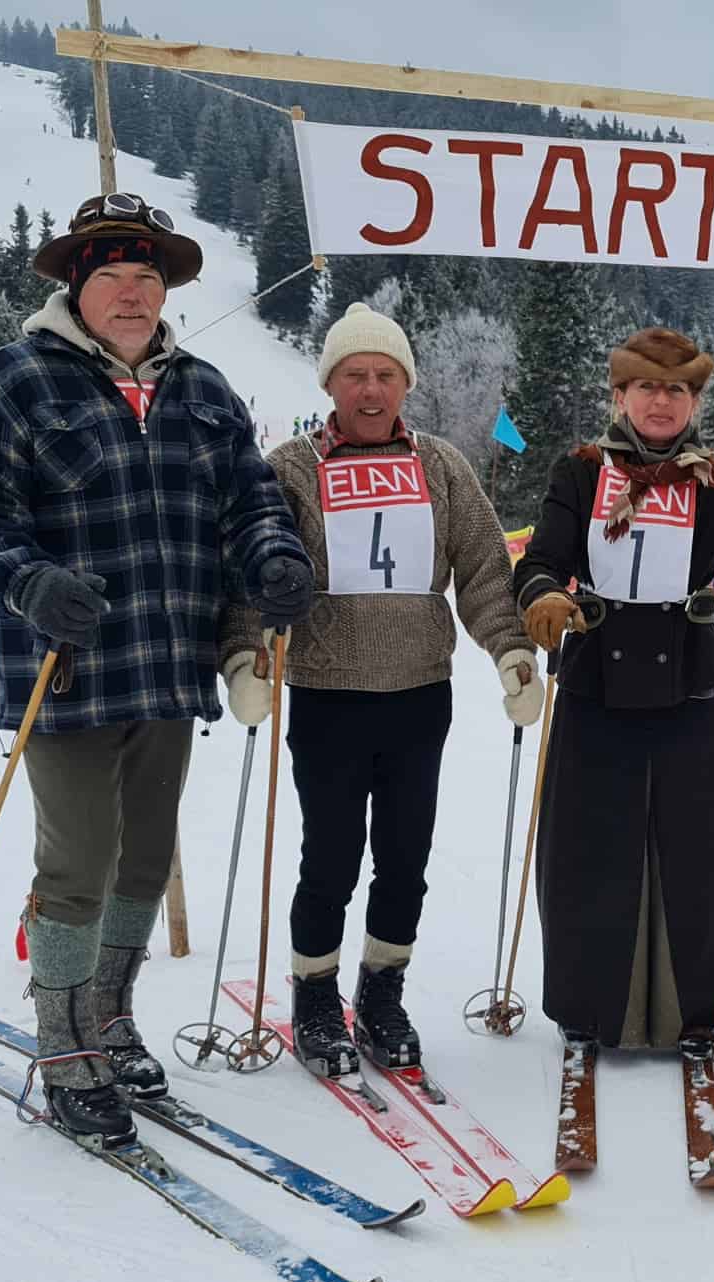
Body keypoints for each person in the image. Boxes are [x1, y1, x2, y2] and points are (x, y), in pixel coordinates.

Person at [0, 192, 314, 1147]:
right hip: (63, 671)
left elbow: (249, 502)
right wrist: (24, 580)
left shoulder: (204, 390)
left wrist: (272, 555)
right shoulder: (10, 383)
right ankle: (63, 1045)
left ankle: (111, 1016)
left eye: (149, 277)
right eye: (114, 276)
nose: (134, 293)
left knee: (144, 854)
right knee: (79, 861)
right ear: (77, 283)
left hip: (169, 664)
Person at [218, 302, 541, 1077]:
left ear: (406, 384)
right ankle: (316, 996)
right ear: (330, 383)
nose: (370, 390)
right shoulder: (293, 466)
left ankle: (383, 990)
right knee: (329, 856)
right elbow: (248, 572)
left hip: (418, 694)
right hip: (328, 693)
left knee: (405, 858)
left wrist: (510, 653)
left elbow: (486, 571)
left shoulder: (441, 466)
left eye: (386, 375)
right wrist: (243, 658)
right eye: (354, 375)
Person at [510, 327, 714, 1050]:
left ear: (694, 403)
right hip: (596, 678)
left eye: (676, 389)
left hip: (690, 682)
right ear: (619, 396)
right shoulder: (580, 472)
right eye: (646, 387)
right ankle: (589, 1010)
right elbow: (543, 558)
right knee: (589, 846)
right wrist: (545, 597)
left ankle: (699, 1012)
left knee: (700, 850)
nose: (660, 401)